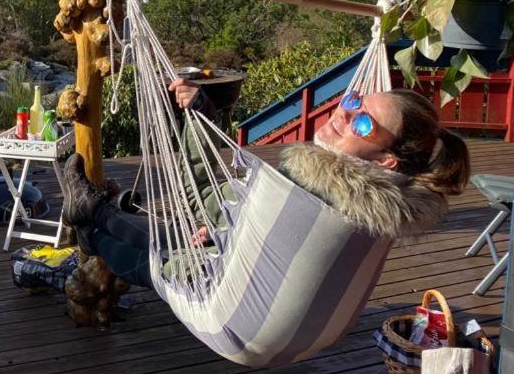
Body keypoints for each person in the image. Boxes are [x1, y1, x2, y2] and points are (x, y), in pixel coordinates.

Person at [62, 79, 471, 289]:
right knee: (171, 228)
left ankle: (91, 217)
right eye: (353, 102)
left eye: (364, 122)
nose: (344, 115)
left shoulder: (316, 189)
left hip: (220, 279)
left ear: (386, 159)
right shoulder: (372, 196)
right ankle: (92, 214)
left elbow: (214, 206)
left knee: (151, 250)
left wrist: (224, 232)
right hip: (231, 248)